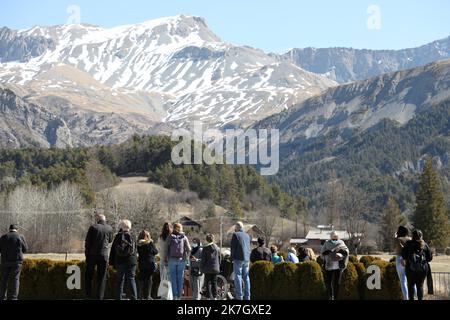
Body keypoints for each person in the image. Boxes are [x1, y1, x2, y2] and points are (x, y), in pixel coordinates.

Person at [84, 212, 113, 300]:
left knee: (89, 275)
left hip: (92, 255)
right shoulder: (109, 228)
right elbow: (110, 241)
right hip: (103, 255)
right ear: (105, 220)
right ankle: (100, 297)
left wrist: (87, 255)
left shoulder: (93, 227)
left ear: (98, 220)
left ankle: (88, 295)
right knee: (102, 277)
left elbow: (87, 242)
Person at [109, 219, 138, 300]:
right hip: (131, 261)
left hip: (120, 261)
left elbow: (113, 250)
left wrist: (111, 262)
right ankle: (133, 297)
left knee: (120, 280)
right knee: (131, 279)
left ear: (121, 226)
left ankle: (119, 297)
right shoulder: (133, 236)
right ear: (130, 226)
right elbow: (135, 250)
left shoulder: (118, 236)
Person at [401, 229, 433, 300]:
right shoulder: (424, 244)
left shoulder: (408, 244)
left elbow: (403, 255)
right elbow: (430, 258)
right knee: (420, 286)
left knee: (411, 285)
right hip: (422, 270)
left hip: (410, 269)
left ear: (412, 236)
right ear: (421, 236)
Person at [0, 224, 28, 300]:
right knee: (15, 280)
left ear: (9, 229)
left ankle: (2, 297)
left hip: (5, 262)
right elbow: (25, 249)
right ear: (17, 229)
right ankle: (14, 297)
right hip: (17, 262)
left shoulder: (3, 237)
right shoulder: (20, 237)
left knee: (4, 280)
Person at [321, 231, 349, 300]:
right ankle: (330, 296)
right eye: (333, 237)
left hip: (338, 266)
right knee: (329, 282)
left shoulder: (341, 242)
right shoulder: (327, 243)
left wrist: (341, 251)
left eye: (336, 237)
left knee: (337, 283)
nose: (335, 239)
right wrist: (327, 253)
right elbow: (322, 253)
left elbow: (347, 251)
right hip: (329, 265)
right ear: (331, 237)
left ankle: (336, 297)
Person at [167, 223, 191, 300]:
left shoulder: (170, 237)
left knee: (173, 278)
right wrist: (186, 257)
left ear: (173, 228)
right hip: (182, 260)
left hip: (171, 260)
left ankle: (175, 296)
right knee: (180, 279)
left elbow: (167, 248)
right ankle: (180, 296)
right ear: (181, 228)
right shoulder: (184, 237)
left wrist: (167, 258)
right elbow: (189, 249)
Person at [230, 221, 251, 300]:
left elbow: (233, 248)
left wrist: (231, 258)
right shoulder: (247, 235)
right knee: (246, 277)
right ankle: (247, 296)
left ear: (236, 227)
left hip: (238, 258)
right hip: (246, 259)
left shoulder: (235, 235)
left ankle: (239, 296)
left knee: (238, 276)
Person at [394, 226, 415, 300]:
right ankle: (415, 296)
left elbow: (398, 248)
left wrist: (396, 236)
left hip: (400, 259)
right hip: (410, 260)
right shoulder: (410, 239)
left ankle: (406, 298)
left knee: (403, 281)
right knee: (412, 280)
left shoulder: (398, 239)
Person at [137, 230, 158, 300]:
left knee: (141, 279)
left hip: (142, 263)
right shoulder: (150, 243)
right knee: (149, 279)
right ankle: (147, 296)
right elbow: (155, 251)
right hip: (150, 264)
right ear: (148, 236)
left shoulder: (138, 244)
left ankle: (139, 295)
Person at [200, 234, 221, 300]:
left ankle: (208, 297)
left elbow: (203, 260)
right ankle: (215, 297)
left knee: (208, 283)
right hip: (215, 268)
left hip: (207, 268)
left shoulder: (205, 248)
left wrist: (201, 268)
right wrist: (218, 266)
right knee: (214, 282)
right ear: (213, 239)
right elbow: (219, 258)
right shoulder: (217, 248)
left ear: (206, 240)